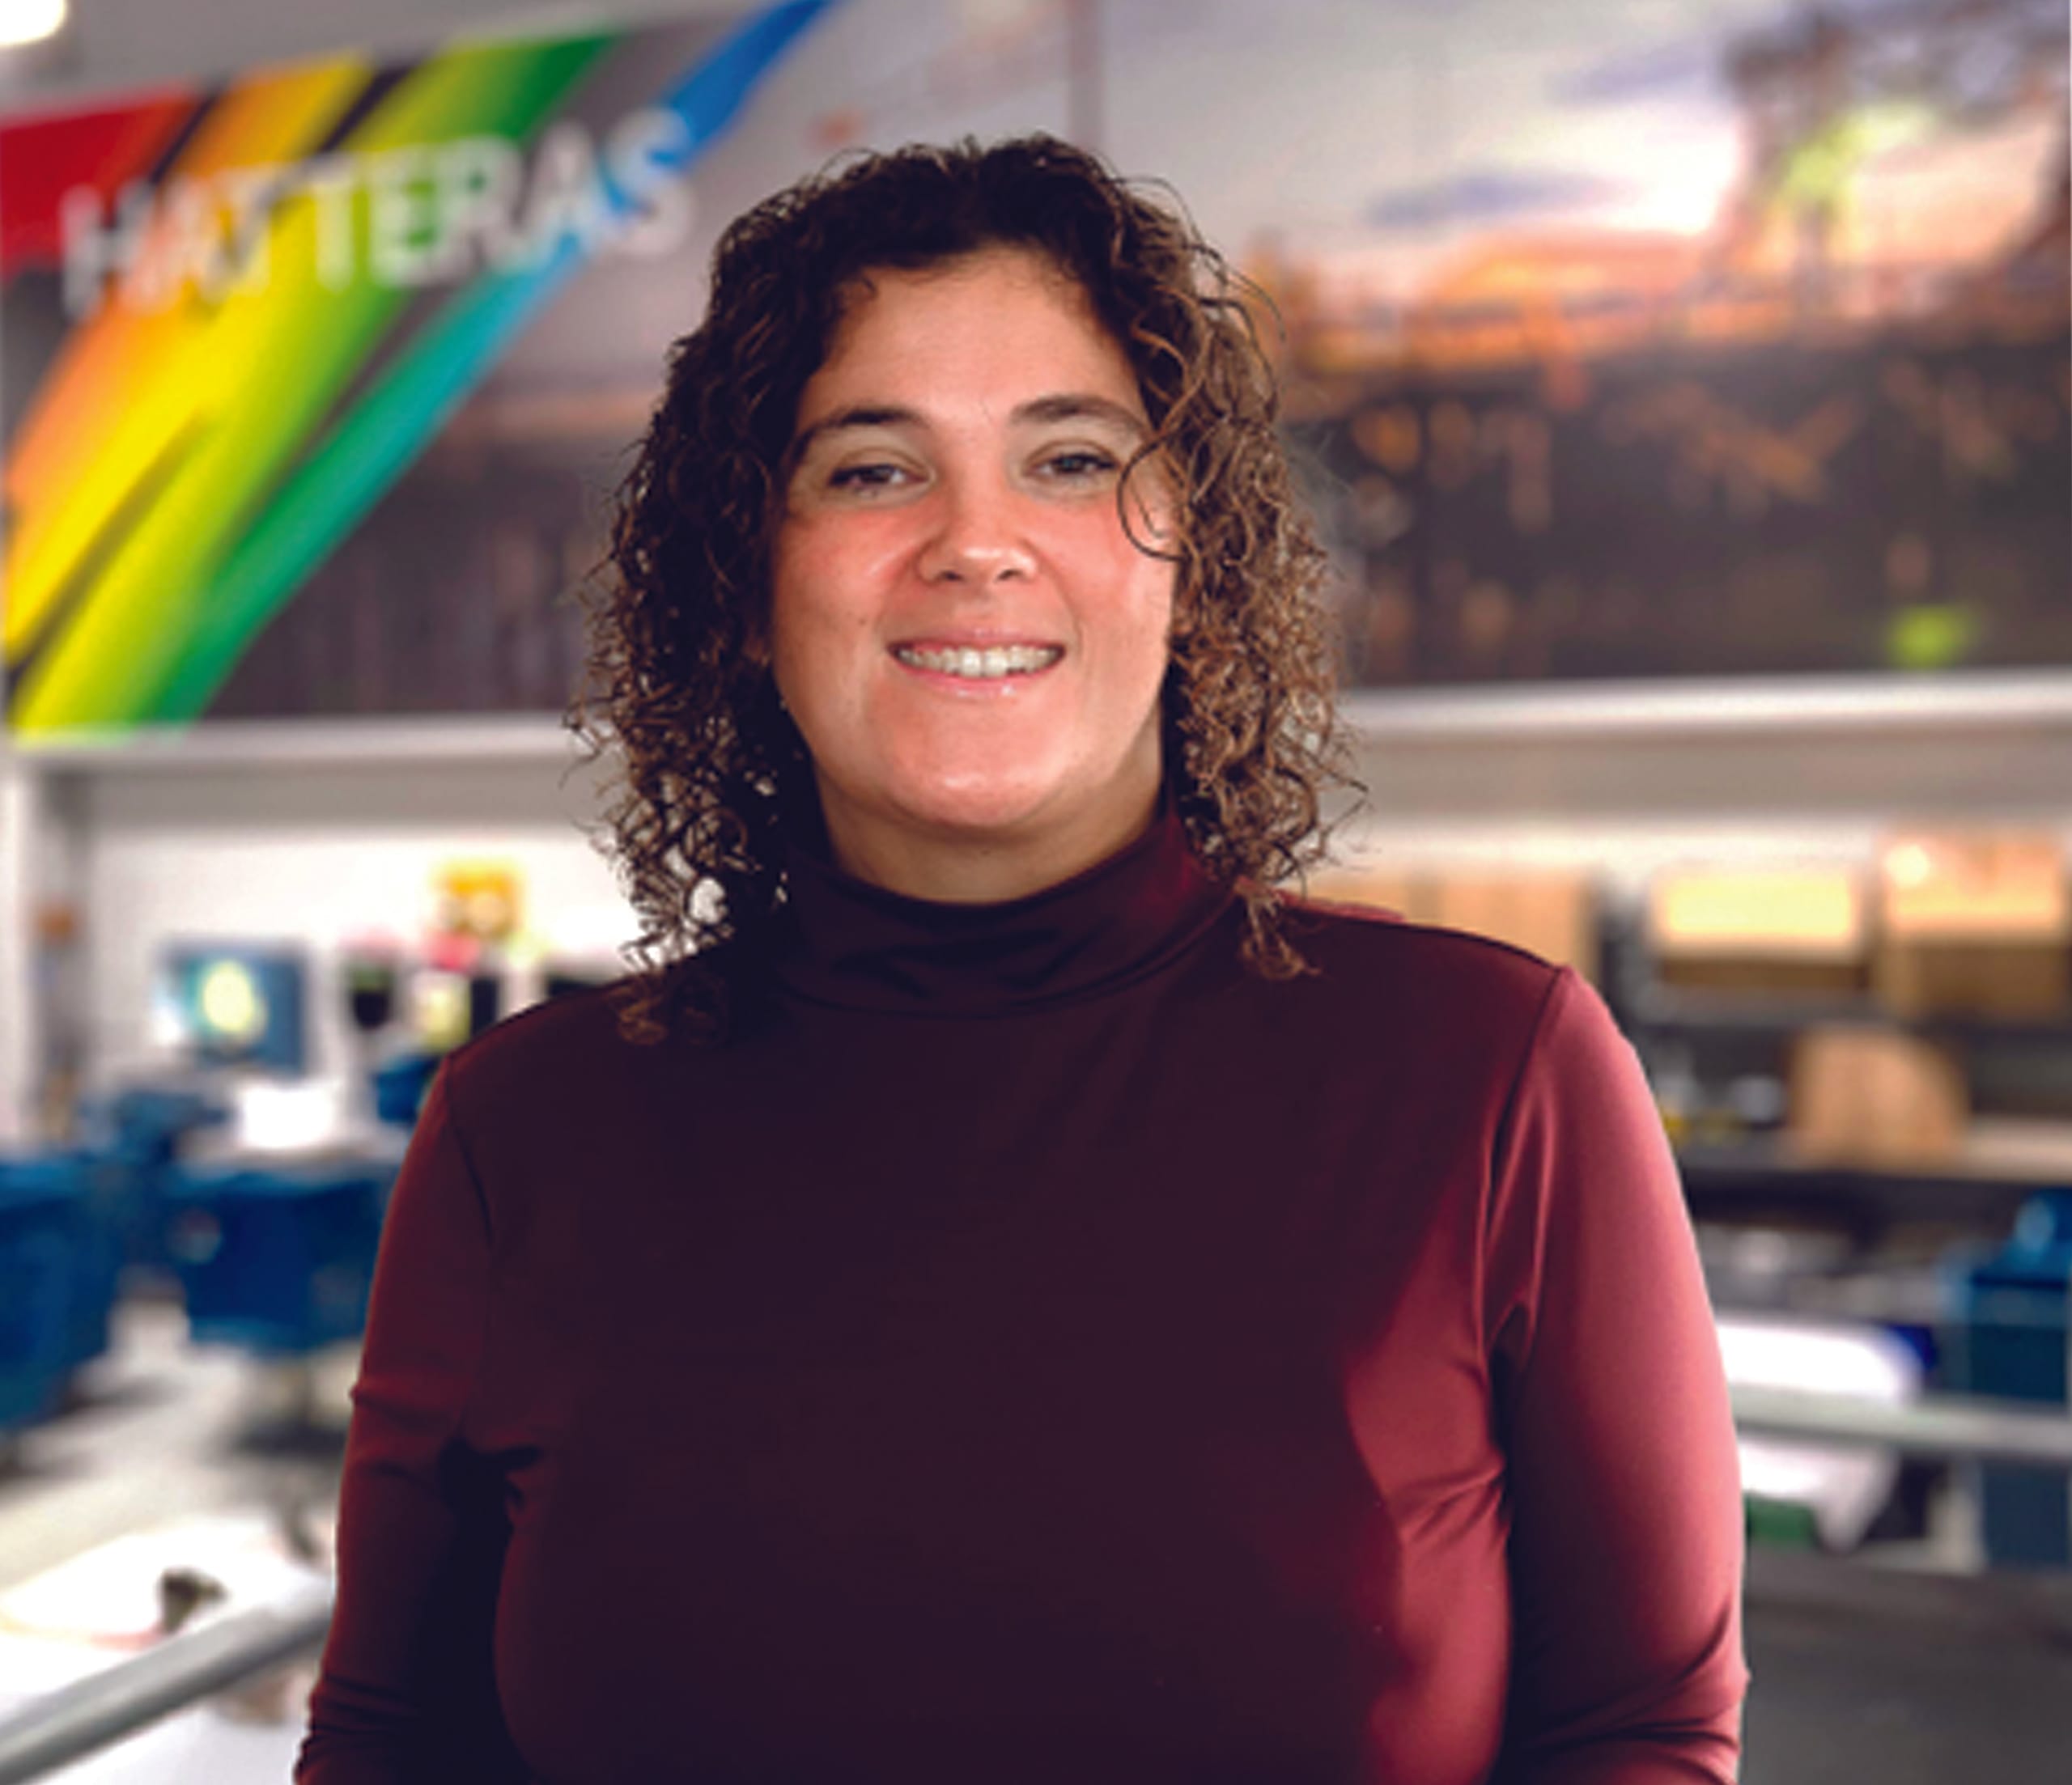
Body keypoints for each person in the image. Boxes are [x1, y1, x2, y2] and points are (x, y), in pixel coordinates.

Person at [299, 137, 1747, 1783]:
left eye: (1067, 459)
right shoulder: (522, 1133)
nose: (973, 541)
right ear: (749, 589)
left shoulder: (1493, 1079)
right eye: (867, 469)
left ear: (1183, 563)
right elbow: (393, 1743)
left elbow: (1638, 1730)